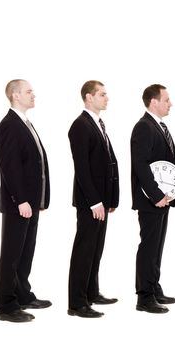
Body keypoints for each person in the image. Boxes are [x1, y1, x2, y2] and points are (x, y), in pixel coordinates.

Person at [0, 79, 51, 322]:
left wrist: (38, 199)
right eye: (29, 91)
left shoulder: (26, 123)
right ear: (15, 95)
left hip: (32, 202)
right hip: (19, 203)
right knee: (11, 253)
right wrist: (20, 200)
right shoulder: (9, 125)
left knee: (26, 251)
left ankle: (23, 295)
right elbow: (10, 167)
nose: (33, 94)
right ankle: (7, 306)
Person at [67, 80, 120, 318]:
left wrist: (110, 199)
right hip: (91, 202)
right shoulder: (80, 125)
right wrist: (94, 201)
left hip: (102, 200)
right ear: (89, 97)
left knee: (96, 248)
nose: (107, 98)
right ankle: (77, 304)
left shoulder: (98, 123)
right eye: (102, 94)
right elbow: (83, 169)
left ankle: (91, 292)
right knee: (84, 250)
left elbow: (107, 162)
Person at [131, 84, 175, 314]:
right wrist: (157, 195)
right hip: (151, 200)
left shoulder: (159, 126)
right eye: (167, 99)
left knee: (157, 246)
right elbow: (140, 165)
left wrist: (167, 195)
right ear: (153, 102)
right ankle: (144, 296)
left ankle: (154, 286)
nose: (170, 103)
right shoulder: (143, 127)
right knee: (149, 246)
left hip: (163, 199)